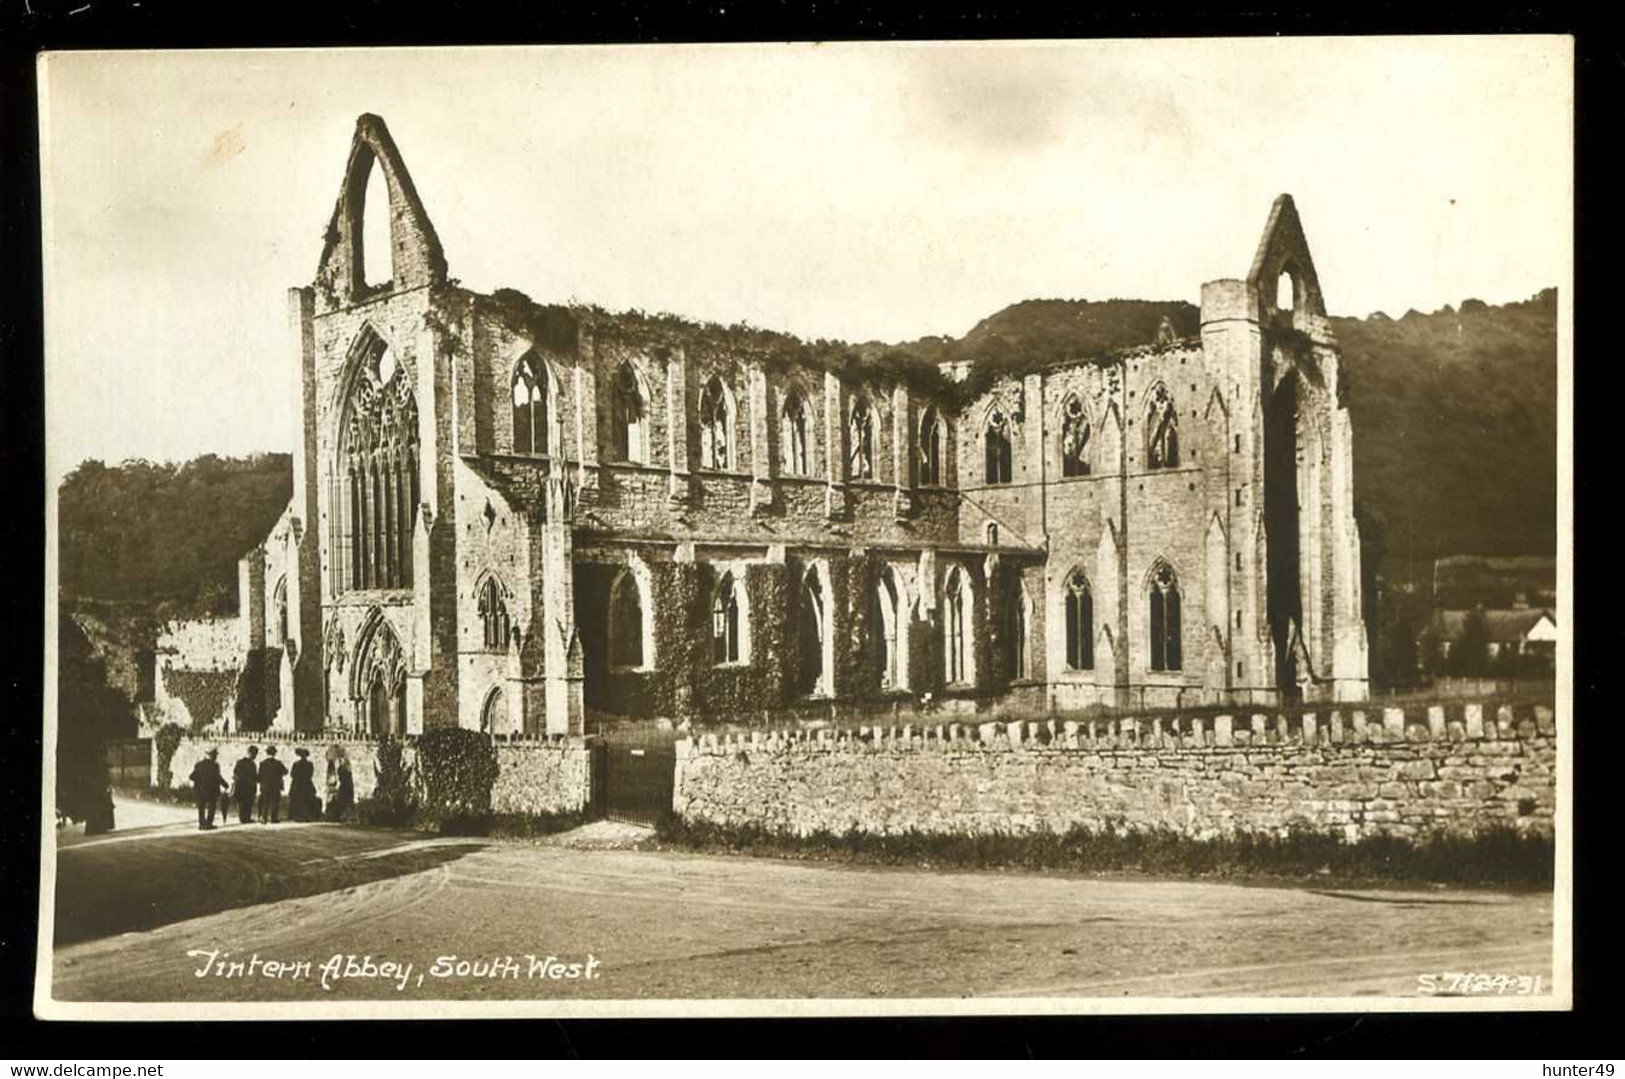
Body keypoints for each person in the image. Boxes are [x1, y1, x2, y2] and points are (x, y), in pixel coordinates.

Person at [188, 749, 227, 830]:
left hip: (200, 790)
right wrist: (225, 784)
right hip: (211, 790)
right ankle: (208, 824)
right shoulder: (215, 766)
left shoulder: (199, 765)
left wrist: (199, 780)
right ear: (211, 755)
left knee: (201, 807)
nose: (216, 757)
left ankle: (201, 824)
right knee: (211, 806)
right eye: (215, 755)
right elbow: (218, 778)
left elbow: (191, 777)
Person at [257, 745, 288, 824]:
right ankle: (274, 818)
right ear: (274, 754)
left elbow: (259, 775)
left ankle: (264, 818)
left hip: (265, 786)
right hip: (275, 785)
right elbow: (285, 772)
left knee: (265, 802)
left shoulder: (263, 763)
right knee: (275, 802)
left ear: (267, 753)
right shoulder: (278, 763)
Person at [231, 745, 259, 825]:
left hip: (242, 786)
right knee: (247, 802)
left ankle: (244, 817)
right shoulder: (252, 764)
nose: (255, 756)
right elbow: (254, 776)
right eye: (254, 754)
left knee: (244, 802)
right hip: (247, 786)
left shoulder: (240, 762)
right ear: (251, 753)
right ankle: (245, 817)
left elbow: (235, 772)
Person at [289, 747, 318, 822]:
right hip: (307, 784)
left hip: (298, 784)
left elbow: (292, 774)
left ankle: (299, 816)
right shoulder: (309, 764)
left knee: (299, 800)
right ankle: (306, 816)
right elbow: (310, 774)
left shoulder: (296, 764)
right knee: (307, 800)